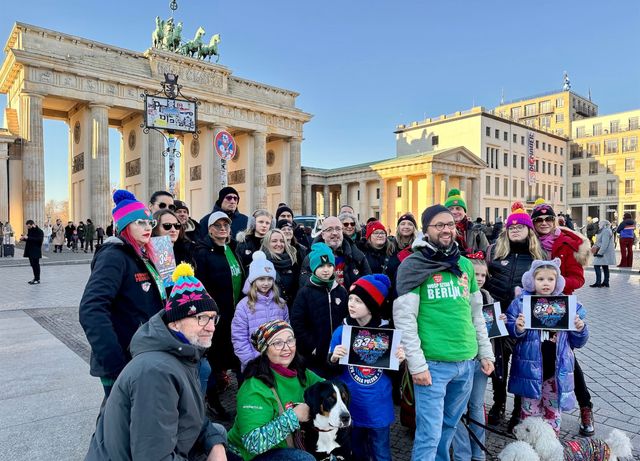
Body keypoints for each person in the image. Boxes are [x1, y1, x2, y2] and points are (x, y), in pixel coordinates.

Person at [85, 263, 228, 460]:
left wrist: (214, 442)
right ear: (175, 323)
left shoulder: (183, 354)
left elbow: (192, 415)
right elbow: (154, 456)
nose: (211, 327)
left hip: (173, 447)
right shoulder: (157, 372)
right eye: (201, 318)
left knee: (219, 433)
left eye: (213, 318)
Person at [393, 204, 494, 461]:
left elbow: (476, 314)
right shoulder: (413, 265)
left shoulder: (464, 264)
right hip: (433, 365)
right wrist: (417, 365)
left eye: (450, 224)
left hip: (466, 362)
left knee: (449, 426)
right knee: (428, 434)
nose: (446, 229)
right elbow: (405, 320)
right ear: (426, 230)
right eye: (439, 225)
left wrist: (485, 353)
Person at [79, 190, 166, 398]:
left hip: (141, 353)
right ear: (125, 226)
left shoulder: (141, 254)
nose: (147, 228)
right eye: (140, 223)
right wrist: (115, 362)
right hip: (123, 360)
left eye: (149, 222)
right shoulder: (113, 256)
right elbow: (91, 309)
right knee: (116, 415)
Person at [529, 199, 594, 436]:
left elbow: (579, 278)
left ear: (555, 220)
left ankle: (585, 407)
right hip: (534, 307)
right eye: (539, 220)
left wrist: (557, 284)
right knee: (533, 356)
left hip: (560, 307)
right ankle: (530, 409)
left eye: (548, 218)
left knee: (566, 359)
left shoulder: (566, 243)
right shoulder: (530, 243)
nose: (544, 223)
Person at [506, 259, 588, 434]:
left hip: (556, 372)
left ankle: (550, 444)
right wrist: (517, 328)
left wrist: (580, 329)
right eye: (540, 279)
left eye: (550, 279)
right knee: (529, 414)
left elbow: (578, 342)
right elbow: (511, 330)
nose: (546, 283)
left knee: (553, 413)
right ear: (531, 281)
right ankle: (529, 445)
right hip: (530, 371)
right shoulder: (521, 303)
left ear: (557, 282)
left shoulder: (567, 306)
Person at [329, 274, 405, 461]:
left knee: (381, 453)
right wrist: (333, 359)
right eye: (351, 299)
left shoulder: (387, 333)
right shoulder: (341, 332)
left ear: (371, 305)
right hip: (351, 407)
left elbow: (394, 377)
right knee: (357, 452)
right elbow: (331, 372)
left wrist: (400, 362)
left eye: (359, 301)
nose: (351, 304)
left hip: (379, 408)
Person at [484, 202, 546, 431]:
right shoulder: (495, 252)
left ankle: (519, 409)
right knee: (498, 364)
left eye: (520, 226)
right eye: (512, 227)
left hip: (523, 319)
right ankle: (498, 403)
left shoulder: (538, 256)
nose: (516, 230)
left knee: (522, 366)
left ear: (529, 230)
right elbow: (483, 280)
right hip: (497, 316)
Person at [227, 320, 320, 461]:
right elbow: (253, 443)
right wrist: (294, 416)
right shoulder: (254, 387)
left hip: (288, 446)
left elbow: (329, 389)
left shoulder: (301, 373)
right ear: (265, 350)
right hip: (247, 456)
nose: (286, 348)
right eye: (277, 343)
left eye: (290, 340)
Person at [193, 211, 244, 418]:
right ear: (210, 230)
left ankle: (244, 400)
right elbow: (202, 285)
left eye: (226, 225)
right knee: (215, 359)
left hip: (235, 314)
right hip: (216, 315)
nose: (223, 229)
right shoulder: (203, 252)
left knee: (235, 355)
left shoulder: (232, 248)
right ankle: (213, 401)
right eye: (218, 225)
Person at [451, 253, 496, 461]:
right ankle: (463, 454)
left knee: (476, 405)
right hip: (461, 356)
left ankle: (479, 453)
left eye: (483, 275)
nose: (479, 278)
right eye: (475, 274)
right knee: (458, 409)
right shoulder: (456, 294)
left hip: (480, 360)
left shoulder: (487, 297)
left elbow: (488, 328)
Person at [291, 243, 348, 378]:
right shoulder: (305, 293)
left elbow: (346, 318)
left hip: (337, 352)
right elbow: (297, 323)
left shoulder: (341, 291)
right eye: (321, 266)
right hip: (314, 355)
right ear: (313, 267)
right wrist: (312, 346)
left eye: (329, 265)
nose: (326, 270)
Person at [231, 251, 289, 372]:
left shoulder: (280, 303)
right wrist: (251, 361)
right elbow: (239, 337)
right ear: (253, 281)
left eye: (269, 279)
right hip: (254, 363)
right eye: (261, 279)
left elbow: (287, 332)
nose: (266, 283)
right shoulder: (244, 306)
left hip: (278, 361)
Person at [299, 216, 371, 288]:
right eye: (329, 230)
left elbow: (368, 283)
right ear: (323, 235)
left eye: (338, 229)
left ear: (342, 232)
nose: (334, 233)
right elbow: (305, 287)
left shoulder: (357, 256)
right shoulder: (312, 258)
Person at [260, 229, 300, 309]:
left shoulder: (293, 262)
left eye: (282, 241)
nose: (279, 244)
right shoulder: (260, 264)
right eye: (274, 241)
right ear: (267, 243)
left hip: (289, 309)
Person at [445, 188, 489, 254]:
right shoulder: (441, 231)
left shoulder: (477, 232)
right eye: (451, 209)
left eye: (458, 208)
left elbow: (487, 254)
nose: (454, 212)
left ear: (464, 212)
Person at [590, 220, 615, 288]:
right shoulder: (604, 230)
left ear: (603, 225)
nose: (598, 225)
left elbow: (604, 243)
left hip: (603, 252)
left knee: (596, 265)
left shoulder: (606, 231)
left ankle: (598, 282)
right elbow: (599, 242)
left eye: (600, 224)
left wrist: (600, 253)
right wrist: (594, 247)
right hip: (604, 252)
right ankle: (606, 282)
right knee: (605, 266)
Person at [21, 220, 44, 284]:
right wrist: (24, 239)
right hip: (30, 250)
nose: (28, 228)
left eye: (29, 226)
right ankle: (35, 278)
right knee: (33, 265)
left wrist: (28, 238)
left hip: (36, 250)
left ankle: (37, 279)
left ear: (33, 225)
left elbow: (39, 240)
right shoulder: (30, 230)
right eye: (27, 226)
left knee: (36, 265)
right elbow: (29, 239)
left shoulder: (39, 231)